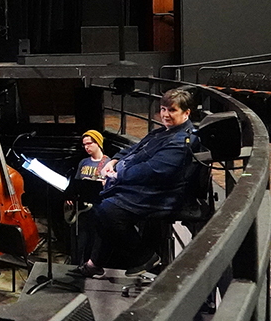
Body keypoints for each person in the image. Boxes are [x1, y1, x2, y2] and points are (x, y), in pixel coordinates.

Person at [72, 89, 197, 278]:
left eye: (172, 110)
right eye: (163, 109)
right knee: (100, 205)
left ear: (186, 113)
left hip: (162, 194)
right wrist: (113, 161)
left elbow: (152, 171)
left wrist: (117, 174)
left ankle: (144, 257)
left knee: (107, 210)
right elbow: (135, 148)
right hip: (144, 185)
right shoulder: (162, 132)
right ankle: (94, 264)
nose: (165, 115)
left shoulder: (183, 141)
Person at [67, 130, 109, 264]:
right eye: (84, 144)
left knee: (95, 240)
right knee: (80, 241)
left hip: (98, 208)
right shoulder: (83, 162)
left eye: (89, 144)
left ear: (98, 143)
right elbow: (76, 184)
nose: (86, 147)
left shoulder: (107, 163)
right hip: (82, 210)